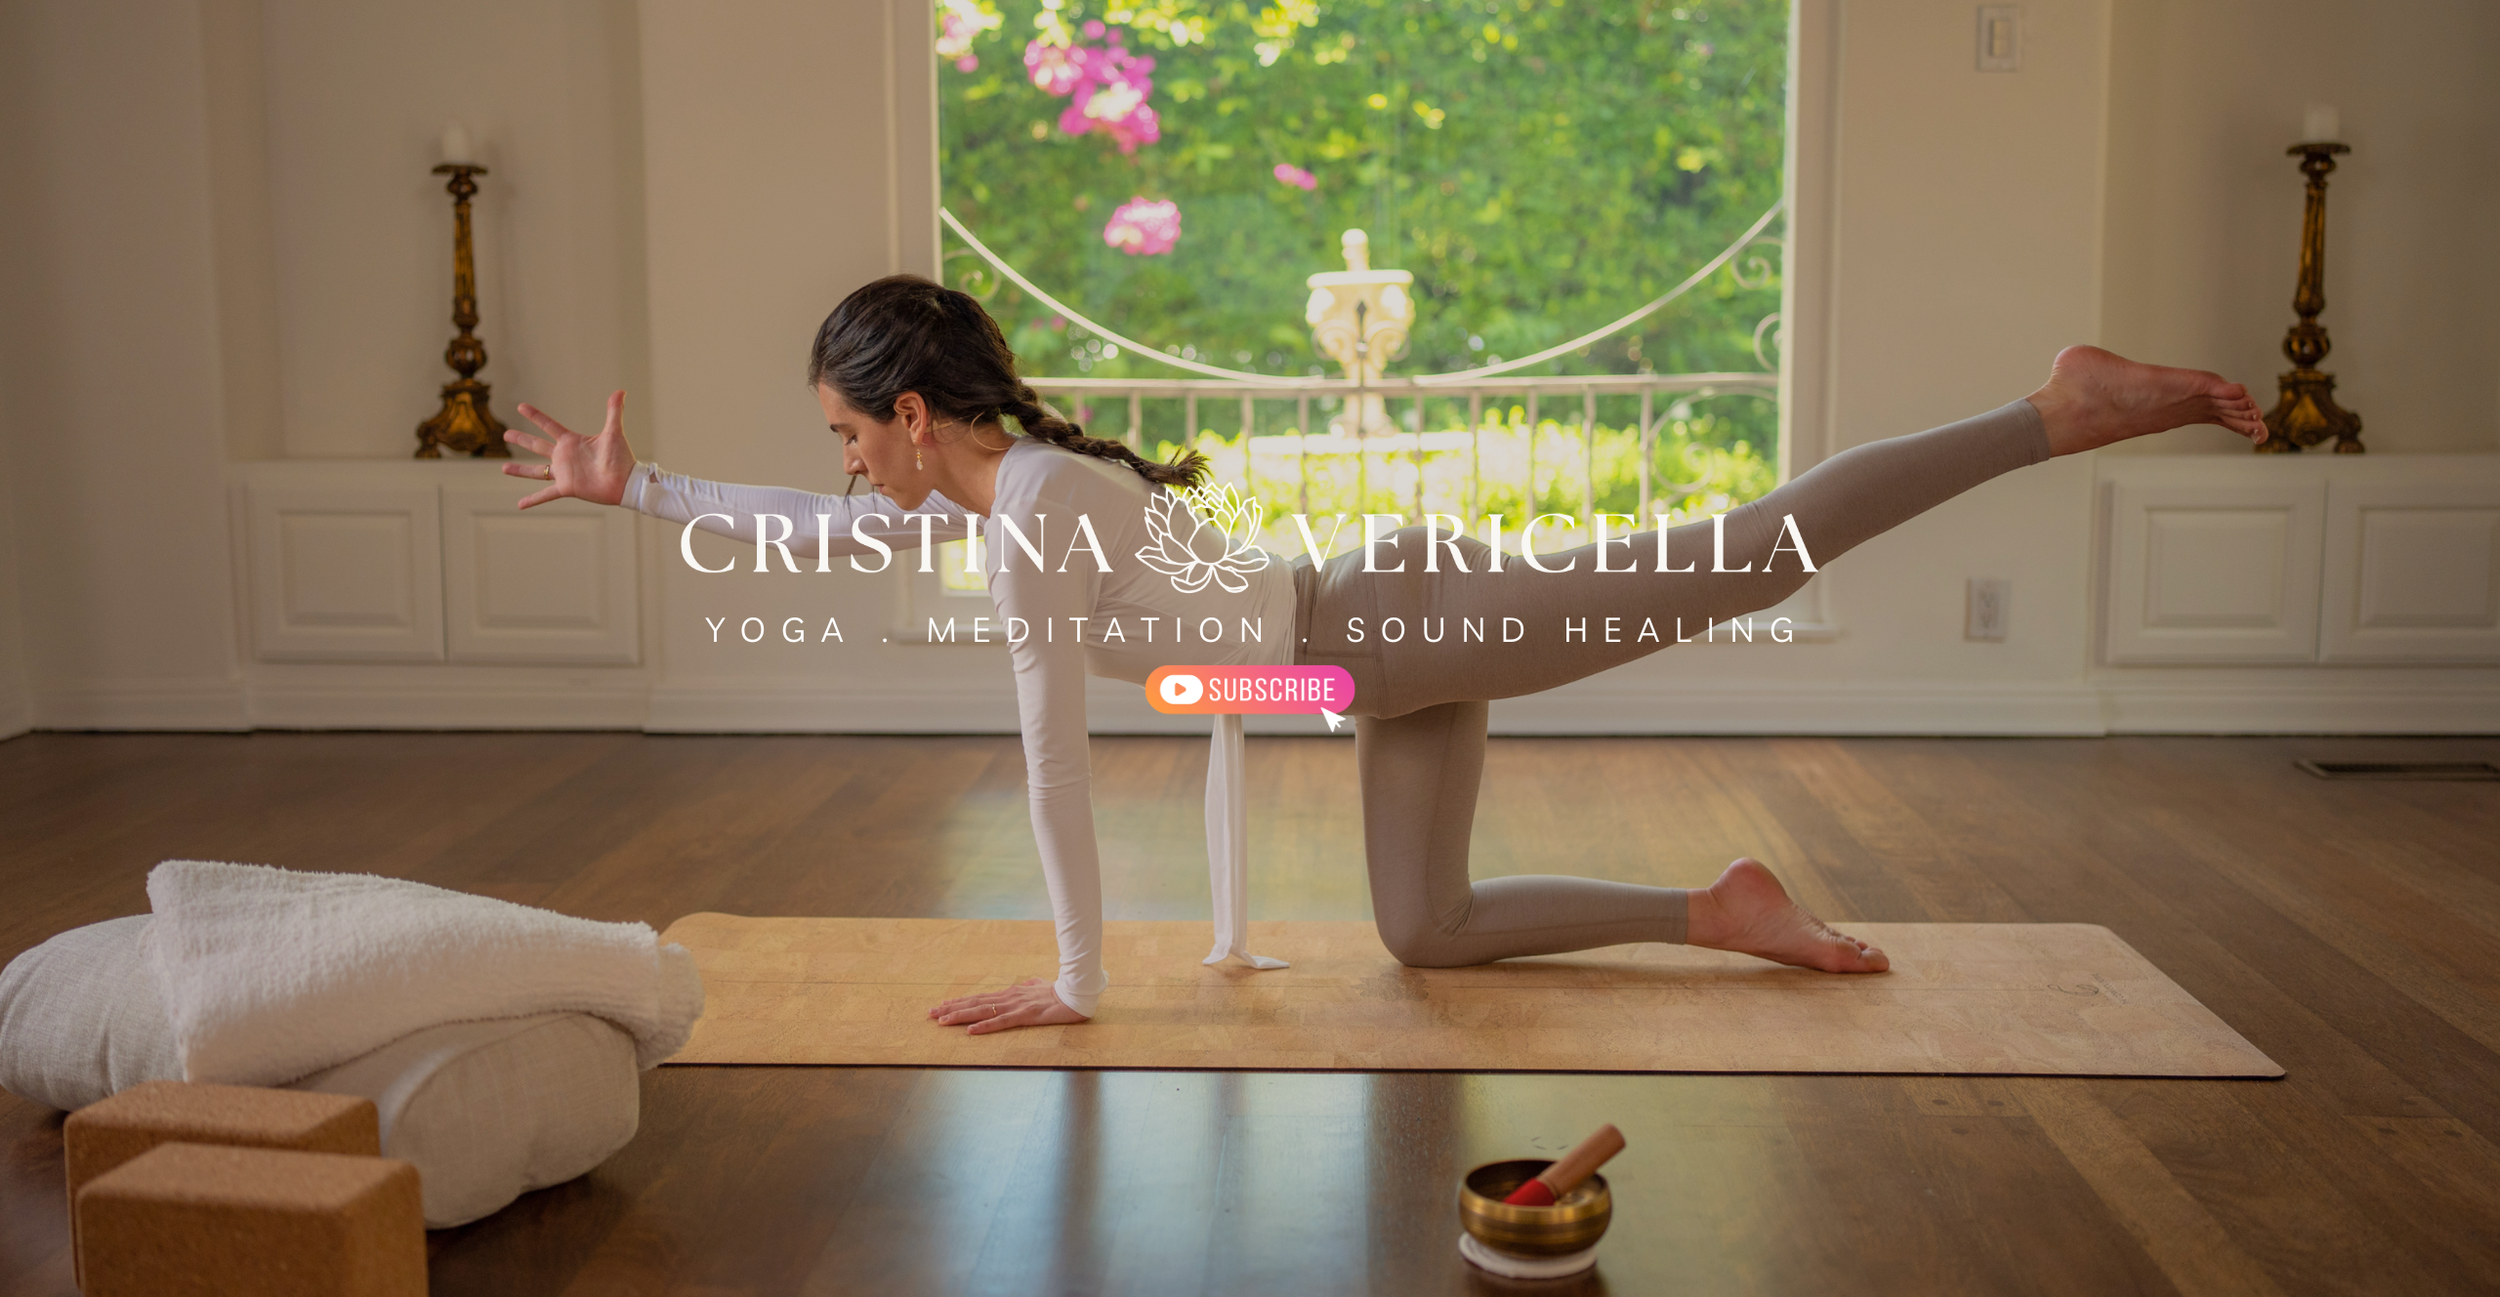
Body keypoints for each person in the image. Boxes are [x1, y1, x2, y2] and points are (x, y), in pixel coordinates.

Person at [503, 275, 2267, 1036]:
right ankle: (1719, 910)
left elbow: (1043, 747)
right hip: (1361, 657)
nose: (838, 463)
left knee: (1736, 559)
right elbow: (823, 532)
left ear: (904, 411)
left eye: (839, 430)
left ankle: (2054, 409)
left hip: (1390, 625)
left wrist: (1079, 973)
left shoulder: (1030, 503)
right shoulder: (987, 491)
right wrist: (631, 489)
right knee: (1429, 927)